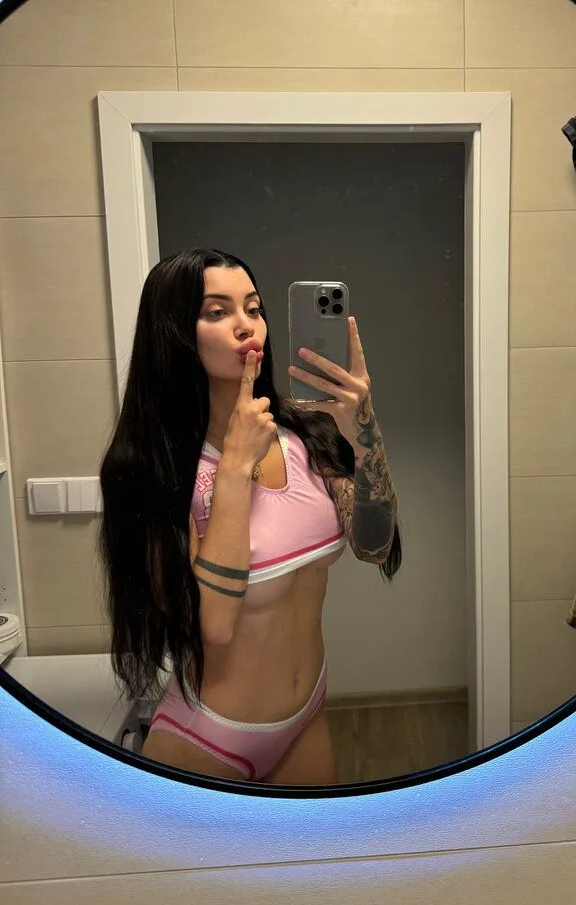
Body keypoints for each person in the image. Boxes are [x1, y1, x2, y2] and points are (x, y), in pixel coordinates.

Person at [98, 248, 401, 785]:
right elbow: (212, 626)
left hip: (306, 713)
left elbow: (374, 546)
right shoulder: (152, 468)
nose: (246, 326)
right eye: (217, 312)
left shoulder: (307, 434)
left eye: (254, 308)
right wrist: (235, 467)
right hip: (210, 737)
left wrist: (363, 432)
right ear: (173, 334)